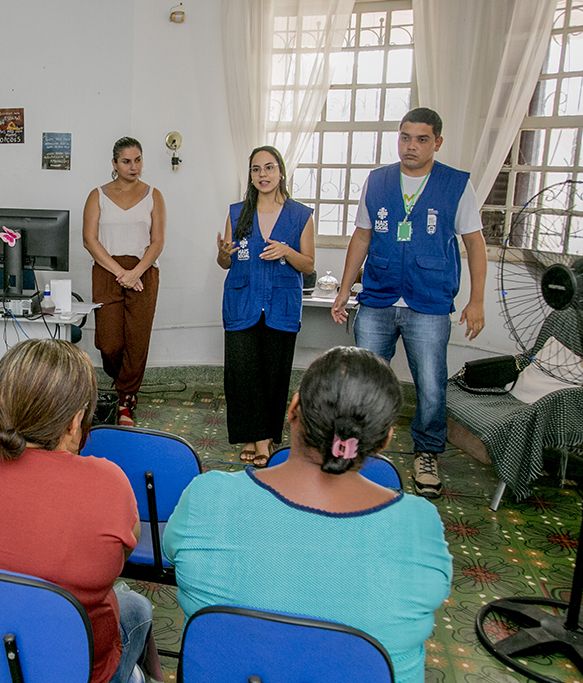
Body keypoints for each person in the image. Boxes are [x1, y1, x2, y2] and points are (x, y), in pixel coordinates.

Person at [164, 346, 452, 683]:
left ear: (293, 409)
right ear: (386, 438)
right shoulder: (420, 526)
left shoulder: (207, 497)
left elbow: (172, 552)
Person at [0, 339, 154, 683]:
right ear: (75, 421)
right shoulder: (107, 483)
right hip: (75, 670)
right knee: (137, 606)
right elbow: (126, 545)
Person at [330, 108, 487, 498]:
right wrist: (345, 288)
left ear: (437, 142)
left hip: (429, 300)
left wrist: (477, 300)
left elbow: (474, 243)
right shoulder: (378, 181)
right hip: (379, 295)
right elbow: (362, 236)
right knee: (361, 380)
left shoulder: (455, 185)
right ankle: (351, 448)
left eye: (420, 139)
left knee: (431, 385)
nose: (410, 146)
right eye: (404, 137)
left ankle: (427, 452)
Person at [216, 145, 315, 466]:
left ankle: (265, 439)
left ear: (281, 172)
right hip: (242, 303)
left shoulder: (300, 215)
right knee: (242, 374)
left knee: (273, 375)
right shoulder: (237, 212)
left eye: (269, 168)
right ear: (250, 175)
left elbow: (308, 265)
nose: (263, 175)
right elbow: (225, 262)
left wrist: (286, 251)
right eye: (257, 169)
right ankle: (249, 435)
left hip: (281, 305)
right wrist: (222, 253)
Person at [83, 137, 166, 426]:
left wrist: (136, 272)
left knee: (137, 340)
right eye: (127, 161)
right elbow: (89, 240)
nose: (134, 167)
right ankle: (123, 383)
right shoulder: (98, 195)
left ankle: (126, 399)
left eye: (138, 159)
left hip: (143, 272)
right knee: (108, 343)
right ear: (114, 164)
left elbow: (157, 242)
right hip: (107, 270)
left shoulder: (154, 195)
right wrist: (121, 272)